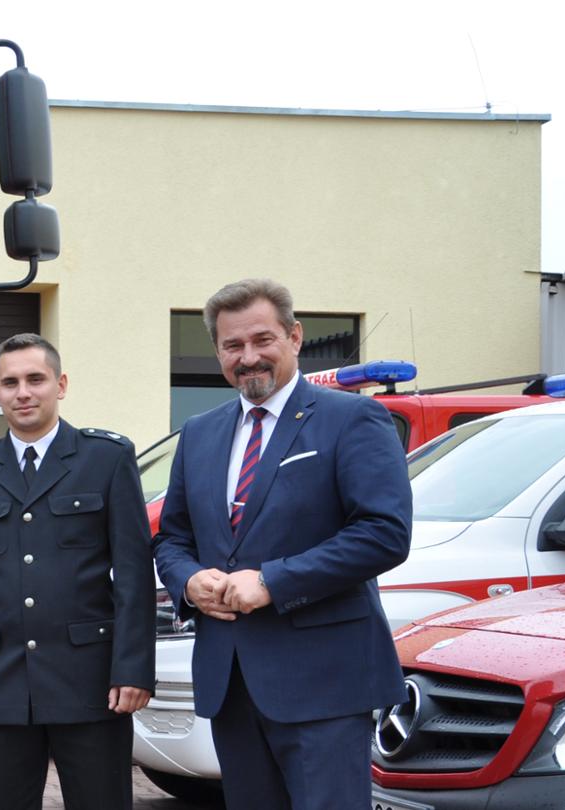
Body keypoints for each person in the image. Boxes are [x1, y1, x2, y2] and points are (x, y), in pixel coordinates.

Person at [154, 278, 411, 809]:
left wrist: (274, 581)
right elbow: (173, 536)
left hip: (325, 683)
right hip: (230, 681)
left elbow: (385, 533)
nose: (248, 357)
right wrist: (187, 581)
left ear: (295, 337)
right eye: (232, 346)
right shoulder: (199, 432)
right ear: (218, 352)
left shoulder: (353, 418)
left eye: (262, 340)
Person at [0, 333, 154, 809]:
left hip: (91, 681)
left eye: (35, 379)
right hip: (2, 681)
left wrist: (133, 669)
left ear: (61, 384)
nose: (23, 392)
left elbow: (133, 576)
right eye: (10, 382)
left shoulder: (107, 459)